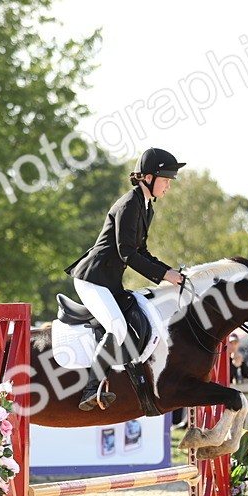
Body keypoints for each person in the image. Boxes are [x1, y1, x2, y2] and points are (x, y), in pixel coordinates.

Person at [65, 147, 187, 411]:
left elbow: (142, 252)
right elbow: (127, 253)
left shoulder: (146, 207)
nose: (168, 186)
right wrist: (165, 274)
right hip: (92, 279)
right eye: (165, 180)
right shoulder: (129, 203)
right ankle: (90, 388)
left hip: (109, 282)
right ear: (147, 177)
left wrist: (170, 274)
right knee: (117, 327)